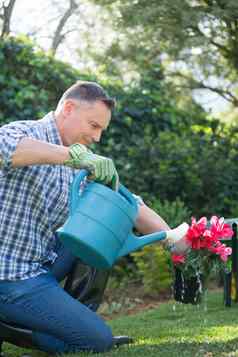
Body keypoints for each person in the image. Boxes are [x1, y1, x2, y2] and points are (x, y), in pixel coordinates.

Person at [0, 81, 189, 354]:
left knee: (105, 226)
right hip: (9, 274)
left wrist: (173, 238)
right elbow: (6, 148)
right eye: (93, 125)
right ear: (68, 108)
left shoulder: (82, 159)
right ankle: (8, 324)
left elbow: (126, 203)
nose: (97, 137)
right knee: (96, 341)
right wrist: (73, 157)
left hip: (39, 264)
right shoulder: (26, 132)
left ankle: (68, 319)